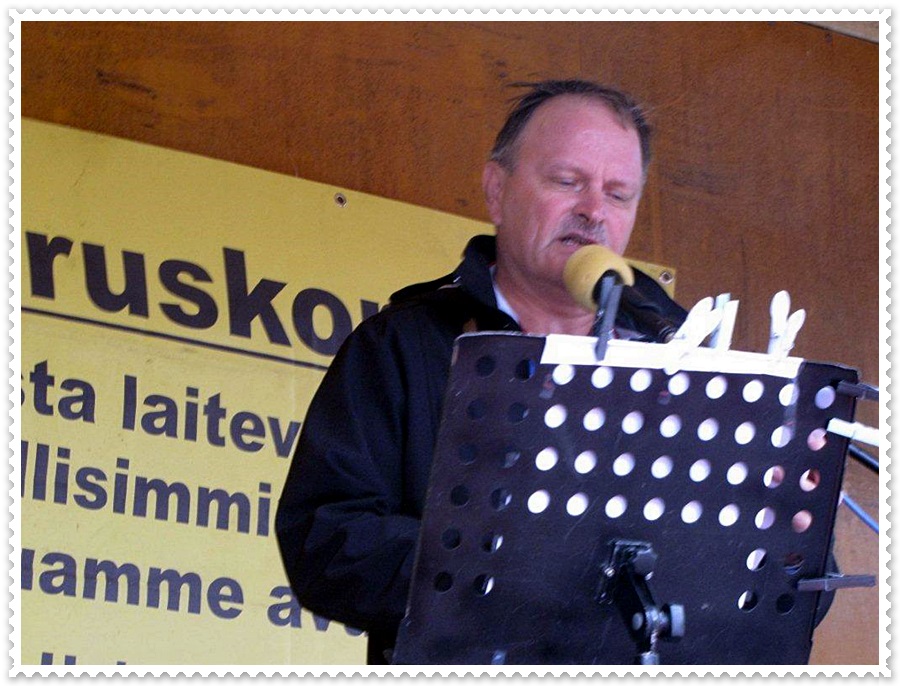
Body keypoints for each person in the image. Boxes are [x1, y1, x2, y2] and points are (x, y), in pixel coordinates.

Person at [275, 80, 687, 664]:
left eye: (618, 194)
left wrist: (790, 534)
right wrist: (508, 569)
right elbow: (325, 542)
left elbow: (770, 594)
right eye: (567, 181)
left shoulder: (690, 358)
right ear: (497, 191)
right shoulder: (404, 344)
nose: (593, 211)